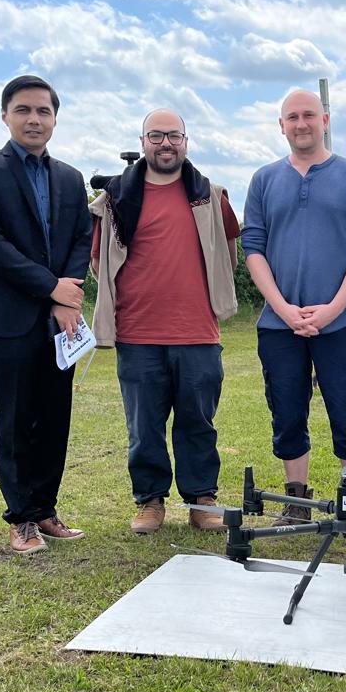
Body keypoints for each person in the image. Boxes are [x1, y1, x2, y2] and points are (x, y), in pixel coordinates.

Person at [89, 109, 240, 535]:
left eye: (174, 135)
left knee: (198, 422)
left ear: (186, 141)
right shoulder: (118, 197)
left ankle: (201, 499)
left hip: (198, 333)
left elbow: (229, 248)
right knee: (144, 427)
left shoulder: (210, 195)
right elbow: (98, 259)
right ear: (143, 142)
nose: (166, 143)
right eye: (156, 136)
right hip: (137, 333)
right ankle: (150, 501)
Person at [0, 75, 93, 555]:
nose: (34, 119)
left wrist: (66, 295)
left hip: (61, 321)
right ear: (5, 115)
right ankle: (20, 520)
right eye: (23, 110)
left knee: (55, 417)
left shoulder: (70, 178)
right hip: (9, 317)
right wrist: (49, 286)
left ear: (55, 118)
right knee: (15, 419)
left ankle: (45, 510)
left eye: (43, 111)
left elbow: (81, 238)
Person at [240, 89, 346, 517]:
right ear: (281, 125)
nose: (301, 124)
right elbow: (253, 248)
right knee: (286, 410)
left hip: (339, 323)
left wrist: (334, 307)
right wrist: (282, 307)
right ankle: (296, 498)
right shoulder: (264, 180)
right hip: (280, 324)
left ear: (325, 120)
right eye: (292, 117)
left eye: (309, 115)